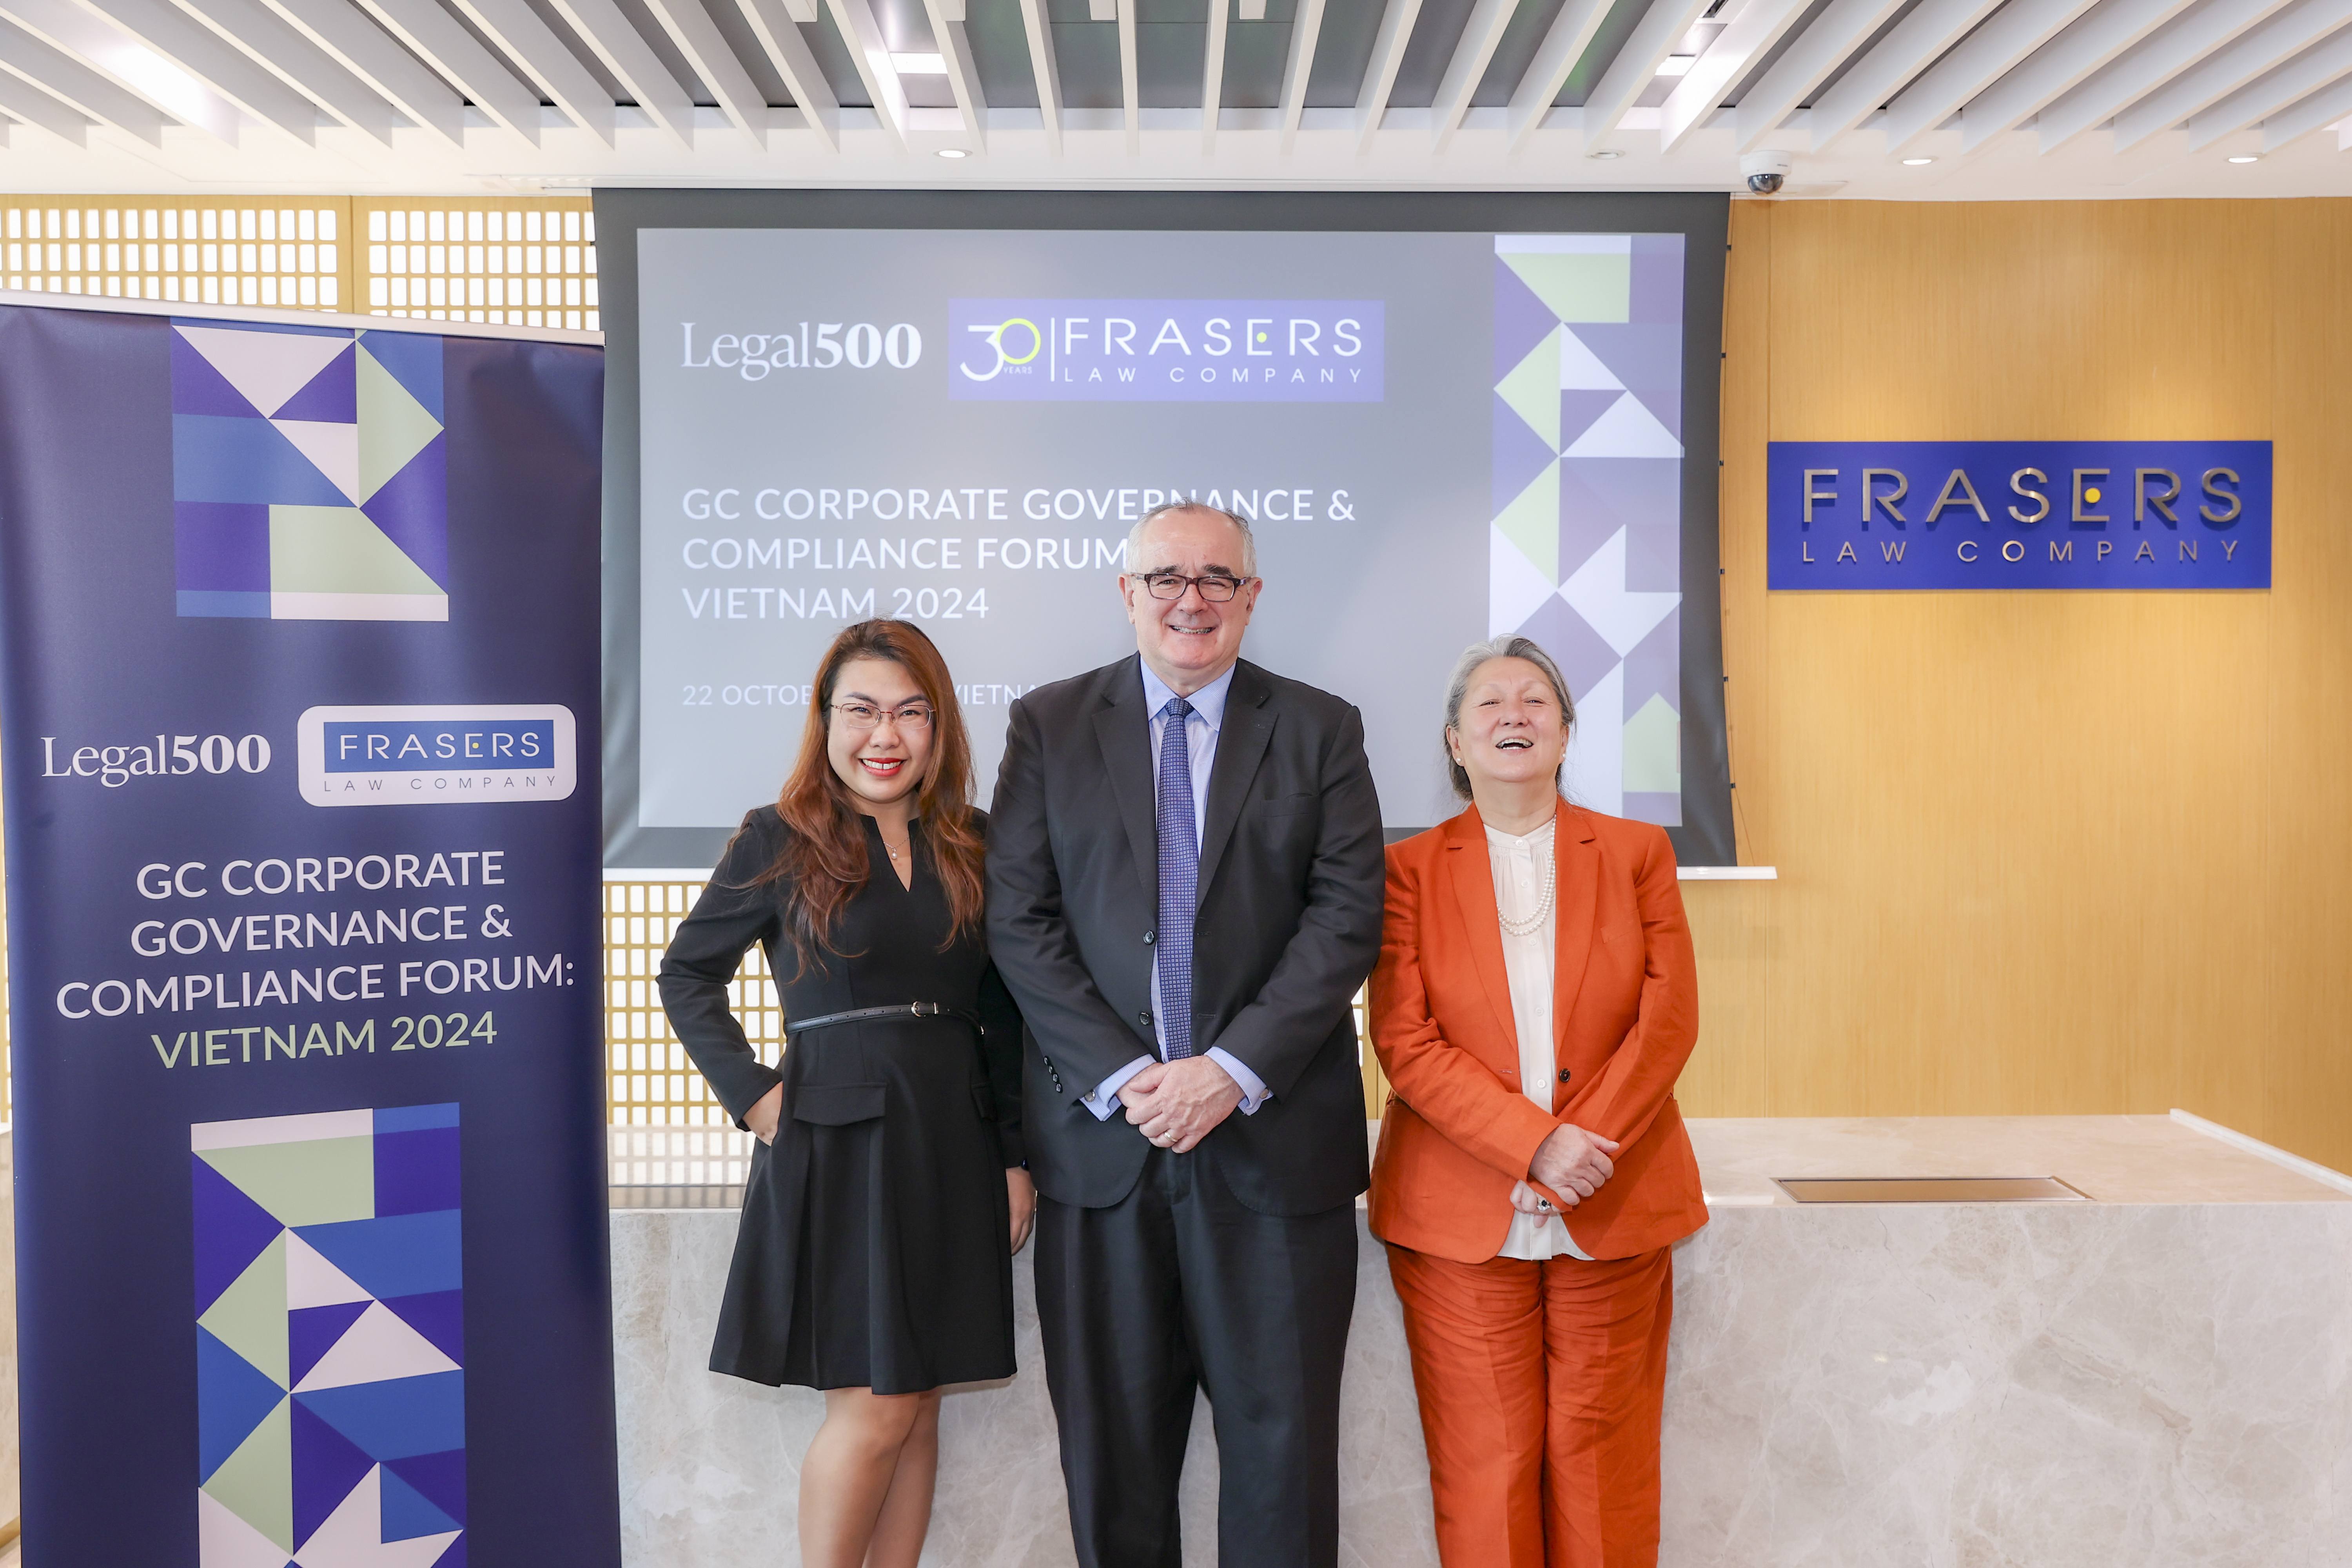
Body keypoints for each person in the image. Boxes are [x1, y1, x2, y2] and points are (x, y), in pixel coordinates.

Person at [985, 501, 1385, 1568]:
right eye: (1166, 577)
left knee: (1282, 1461)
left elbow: (1347, 918)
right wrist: (1127, 1075)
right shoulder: (1049, 725)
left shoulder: (1321, 728)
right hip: (1102, 1154)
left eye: (1217, 578)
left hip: (1273, 1152)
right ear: (1128, 594)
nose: (1191, 599)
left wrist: (1229, 1070)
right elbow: (1019, 920)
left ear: (1253, 597)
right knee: (1112, 1460)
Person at [658, 619, 1035, 1568]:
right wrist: (755, 1095)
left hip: (954, 1135)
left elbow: (1002, 1014)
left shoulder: (974, 841)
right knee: (875, 1406)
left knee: (920, 1399)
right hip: (840, 1136)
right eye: (862, 710)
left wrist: (1014, 1156)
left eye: (911, 712)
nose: (886, 735)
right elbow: (686, 974)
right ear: (825, 720)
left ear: (940, 726)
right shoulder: (778, 835)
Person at [1367, 635, 1706, 1568]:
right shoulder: (1405, 869)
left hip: (1612, 1193)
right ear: (1455, 740)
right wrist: (1532, 1145)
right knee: (1487, 1468)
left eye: (1535, 700)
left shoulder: (1637, 851)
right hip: (1461, 1211)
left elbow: (1669, 1016)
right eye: (1489, 702)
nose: (1513, 714)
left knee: (1604, 1467)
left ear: (1565, 731)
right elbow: (1403, 1038)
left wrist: (1576, 1149)